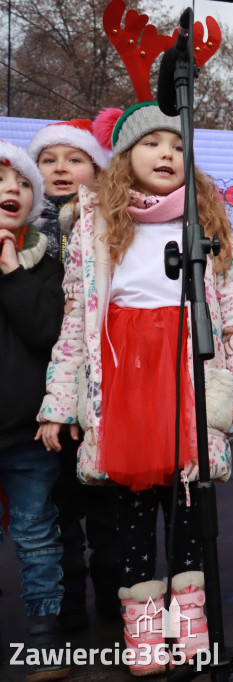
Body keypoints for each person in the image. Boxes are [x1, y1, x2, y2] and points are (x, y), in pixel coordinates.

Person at [36, 103, 233, 674]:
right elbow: (76, 321)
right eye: (151, 144)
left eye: (176, 145)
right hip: (122, 378)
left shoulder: (208, 224)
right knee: (131, 508)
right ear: (124, 159)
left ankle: (189, 619)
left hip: (187, 371)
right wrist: (59, 403)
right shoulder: (94, 223)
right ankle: (144, 624)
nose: (166, 153)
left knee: (189, 500)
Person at [28, 118, 121, 630]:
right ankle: (66, 608)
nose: (61, 168)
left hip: (100, 391)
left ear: (97, 168)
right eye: (48, 159)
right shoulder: (23, 233)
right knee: (55, 513)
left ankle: (114, 604)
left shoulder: (112, 225)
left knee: (107, 509)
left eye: (74, 158)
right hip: (37, 397)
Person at [0, 139, 70, 681]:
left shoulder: (46, 260)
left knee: (37, 533)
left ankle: (46, 634)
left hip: (27, 431)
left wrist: (11, 274)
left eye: (25, 182)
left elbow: (50, 331)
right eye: (3, 181)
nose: (14, 190)